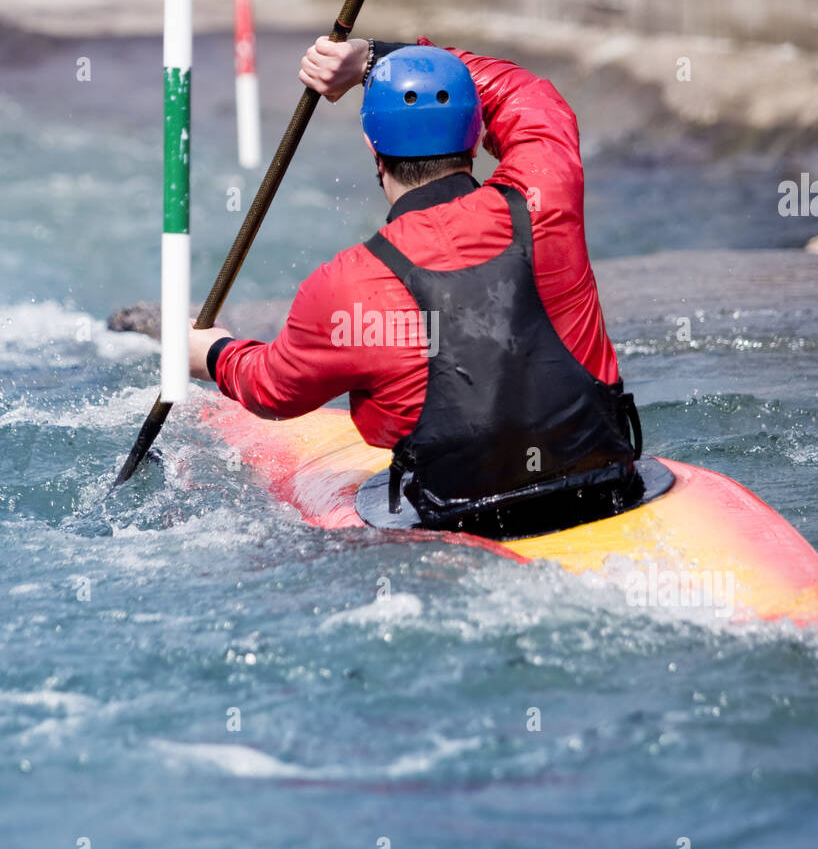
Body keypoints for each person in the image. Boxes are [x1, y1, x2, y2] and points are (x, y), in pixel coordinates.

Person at [188, 36, 642, 537]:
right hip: (605, 487)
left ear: (371, 143)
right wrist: (372, 60)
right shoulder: (546, 194)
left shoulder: (345, 284)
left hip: (461, 524)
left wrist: (214, 354)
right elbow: (527, 95)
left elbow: (272, 390)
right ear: (476, 135)